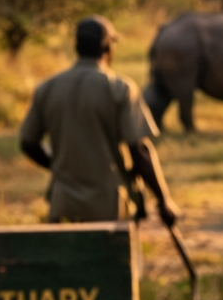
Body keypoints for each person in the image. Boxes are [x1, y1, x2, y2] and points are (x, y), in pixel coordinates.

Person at [19, 16, 180, 227]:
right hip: (110, 207)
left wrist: (59, 166)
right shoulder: (119, 88)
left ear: (77, 46)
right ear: (107, 47)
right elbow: (139, 150)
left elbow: (28, 142)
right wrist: (163, 199)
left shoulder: (47, 88)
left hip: (64, 204)